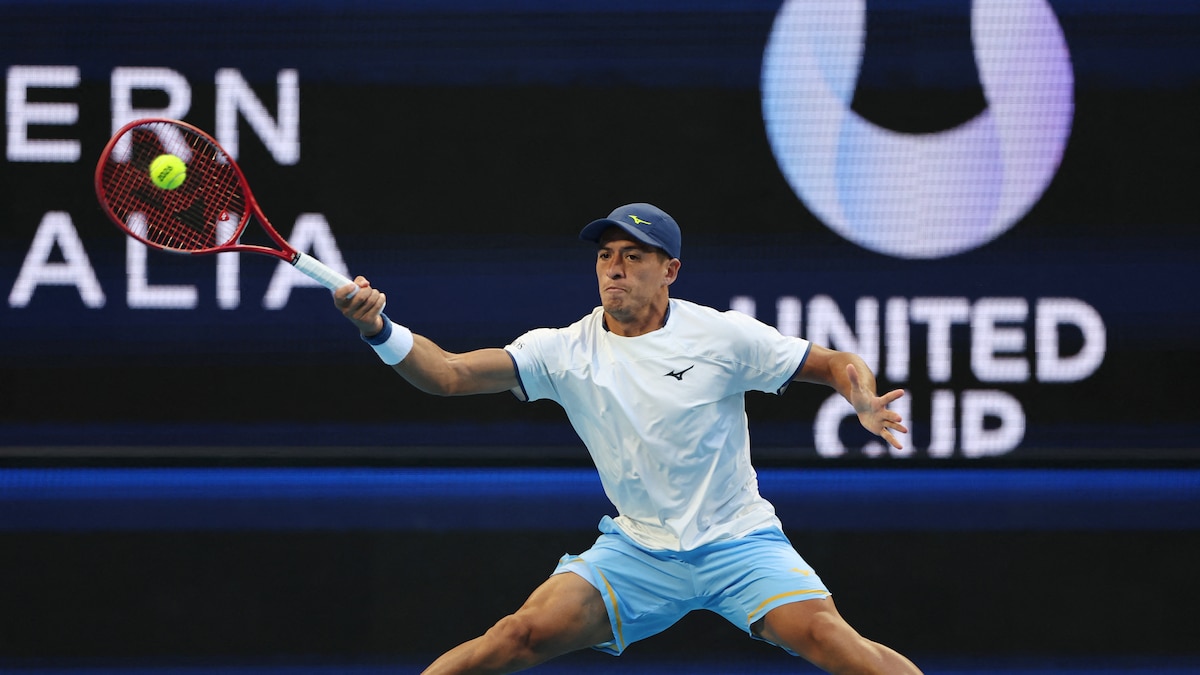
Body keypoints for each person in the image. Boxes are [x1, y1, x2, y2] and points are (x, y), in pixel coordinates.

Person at [334, 203, 922, 674]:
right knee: (516, 637)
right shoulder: (562, 351)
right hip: (638, 552)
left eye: (633, 255)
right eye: (606, 255)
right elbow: (449, 375)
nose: (613, 267)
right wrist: (378, 329)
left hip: (739, 543)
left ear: (669, 270)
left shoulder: (721, 336)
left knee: (834, 642)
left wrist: (862, 397)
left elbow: (835, 361)